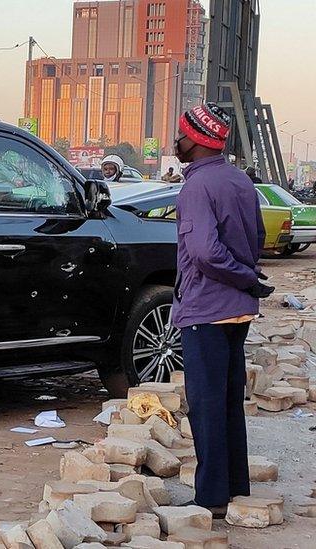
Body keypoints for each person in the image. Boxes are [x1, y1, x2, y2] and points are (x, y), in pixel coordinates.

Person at [172, 103, 274, 517]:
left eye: (180, 135)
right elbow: (259, 236)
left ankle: (210, 498)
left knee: (207, 404)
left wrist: (243, 278)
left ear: (195, 141)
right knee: (229, 401)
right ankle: (235, 486)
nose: (175, 142)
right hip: (236, 311)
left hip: (206, 309)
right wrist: (248, 279)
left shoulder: (196, 187)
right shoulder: (239, 181)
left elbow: (204, 253)